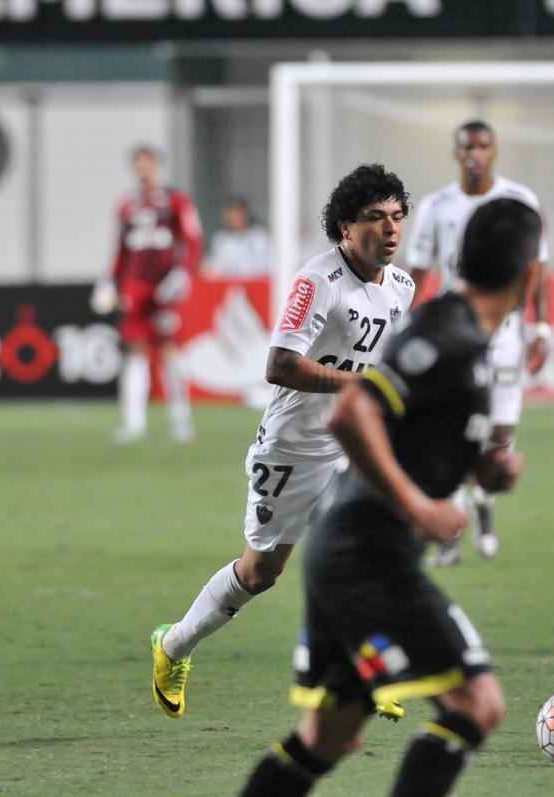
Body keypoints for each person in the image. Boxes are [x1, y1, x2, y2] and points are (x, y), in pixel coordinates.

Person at [236, 198, 538, 797]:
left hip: (347, 550)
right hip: (367, 554)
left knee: (328, 737)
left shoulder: (462, 336)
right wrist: (417, 505)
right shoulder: (446, 334)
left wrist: (484, 468)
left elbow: (421, 433)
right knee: (478, 705)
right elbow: (352, 411)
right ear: (529, 276)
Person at [149, 164, 416, 719]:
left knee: (369, 550)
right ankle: (174, 645)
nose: (390, 229)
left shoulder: (402, 287)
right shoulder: (317, 281)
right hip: (293, 449)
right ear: (346, 227)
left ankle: (363, 667)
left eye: (397, 217)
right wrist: (361, 385)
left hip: (352, 446)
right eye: (375, 218)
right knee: (260, 573)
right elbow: (279, 364)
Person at [406, 119, 550, 565]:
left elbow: (538, 270)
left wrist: (540, 327)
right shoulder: (436, 206)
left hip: (505, 333)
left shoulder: (519, 201)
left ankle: (482, 506)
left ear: (494, 151)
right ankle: (451, 529)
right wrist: (399, 320)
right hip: (456, 330)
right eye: (467, 146)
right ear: (456, 153)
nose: (475, 153)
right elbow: (417, 270)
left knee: (500, 434)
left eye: (483, 146)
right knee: (453, 426)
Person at [90, 145, 203, 444]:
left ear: (157, 166)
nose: (143, 170)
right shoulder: (128, 205)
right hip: (135, 286)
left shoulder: (175, 201)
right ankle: (133, 422)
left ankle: (181, 419)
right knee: (136, 350)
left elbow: (192, 241)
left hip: (164, 285)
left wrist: (182, 273)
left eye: (148, 164)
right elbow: (121, 249)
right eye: (138, 165)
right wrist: (109, 281)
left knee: (169, 349)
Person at [204, 196, 272, 278]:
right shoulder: (220, 239)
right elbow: (213, 268)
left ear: (246, 214)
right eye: (232, 214)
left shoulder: (260, 237)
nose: (236, 218)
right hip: (229, 286)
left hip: (256, 285)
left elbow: (269, 266)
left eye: (239, 213)